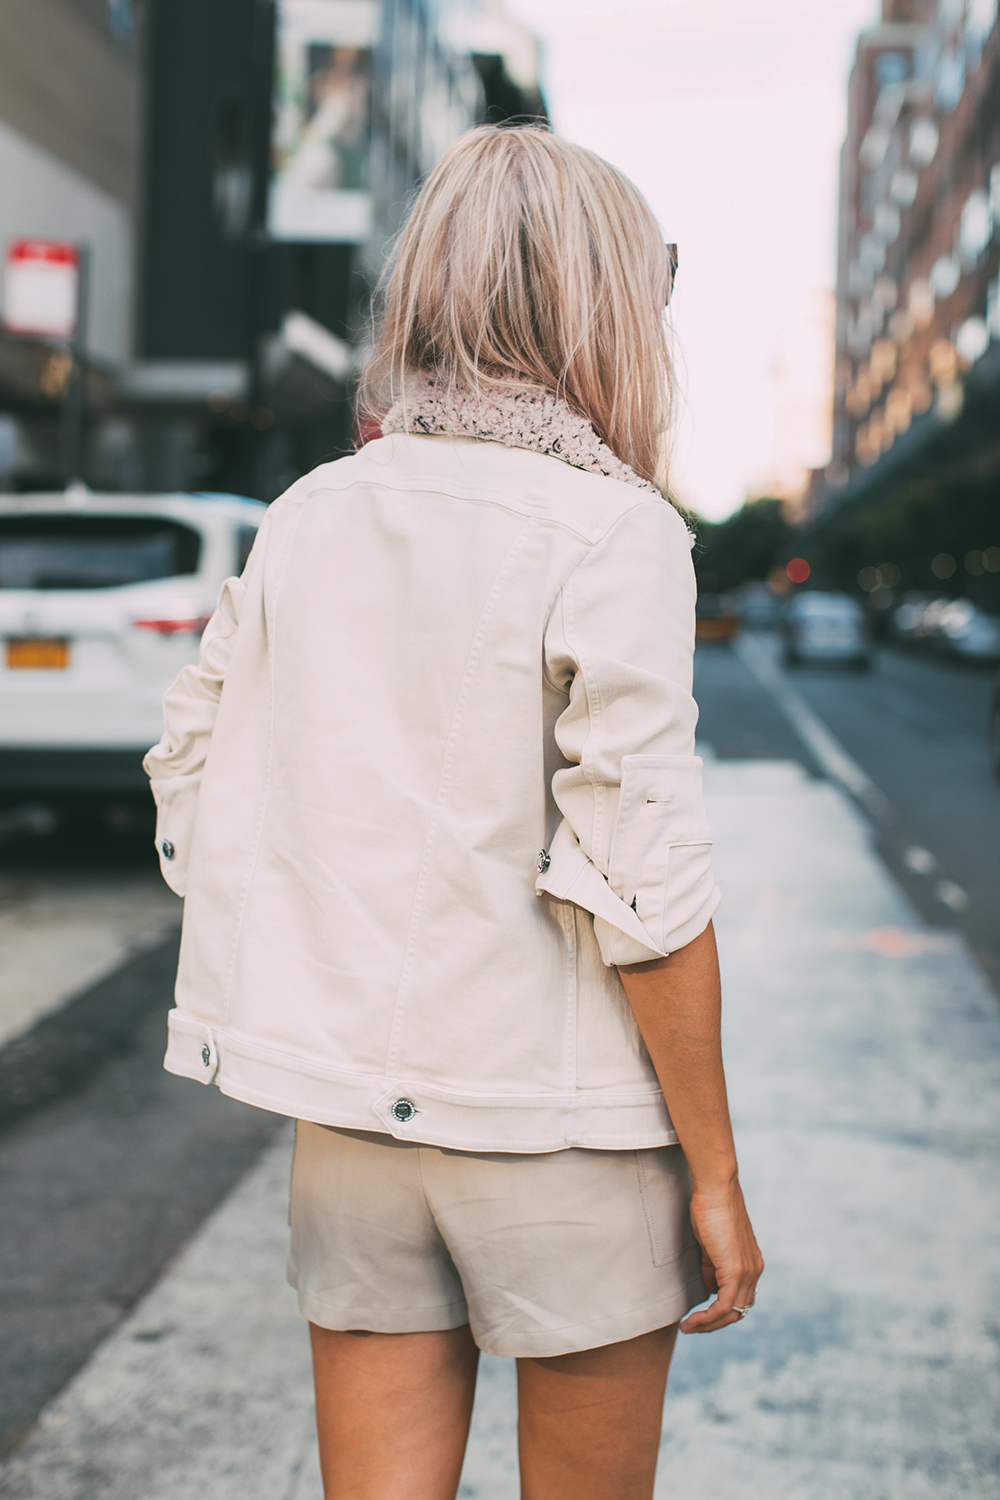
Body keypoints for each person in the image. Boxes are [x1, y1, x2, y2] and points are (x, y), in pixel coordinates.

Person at [144, 124, 763, 1500]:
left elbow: (195, 779)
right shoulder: (615, 529)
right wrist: (716, 1177)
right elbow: (643, 885)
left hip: (356, 1133)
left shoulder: (310, 511)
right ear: (608, 307)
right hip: (567, 1139)